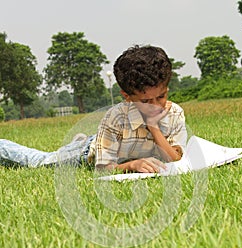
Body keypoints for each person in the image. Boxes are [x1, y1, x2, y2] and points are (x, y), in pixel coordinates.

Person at [0, 45, 187, 173]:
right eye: (146, 101)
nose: (155, 106)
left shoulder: (175, 113)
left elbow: (176, 160)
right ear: (127, 97)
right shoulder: (116, 117)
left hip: (107, 143)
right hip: (86, 154)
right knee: (39, 162)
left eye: (161, 96)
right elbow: (102, 168)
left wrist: (153, 127)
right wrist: (133, 165)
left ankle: (83, 140)